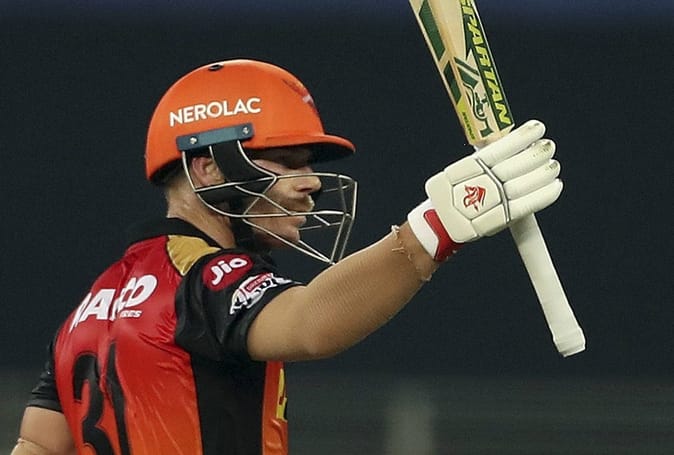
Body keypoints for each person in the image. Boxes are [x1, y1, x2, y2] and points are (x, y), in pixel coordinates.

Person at [11, 59, 563, 455]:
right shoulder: (203, 275)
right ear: (207, 167)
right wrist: (437, 229)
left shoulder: (87, 310)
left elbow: (37, 445)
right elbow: (309, 324)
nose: (311, 183)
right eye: (286, 161)